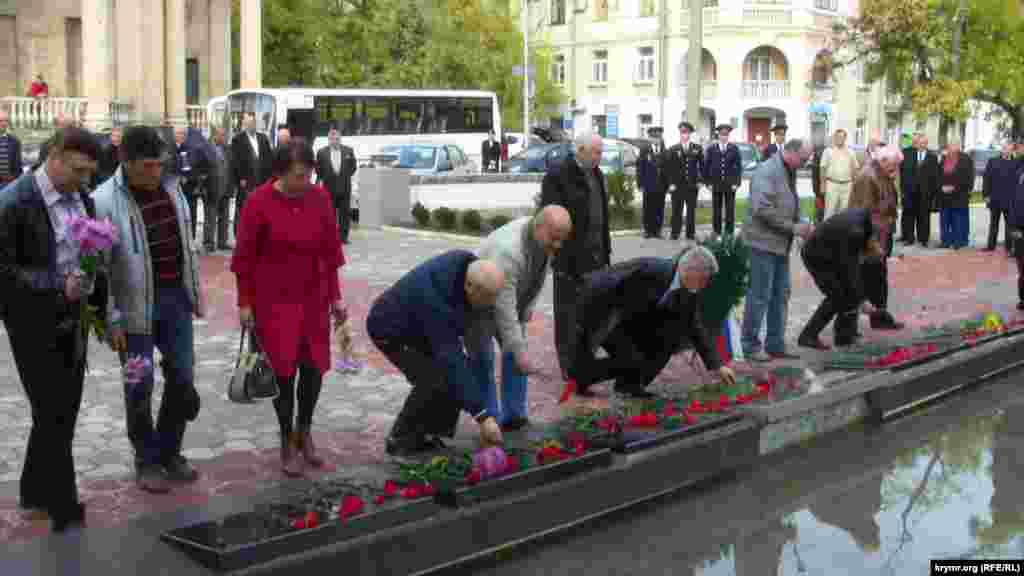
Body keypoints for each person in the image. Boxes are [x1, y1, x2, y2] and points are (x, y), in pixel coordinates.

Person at [0, 127, 103, 532]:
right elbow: (4, 273)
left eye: (89, 173)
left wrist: (93, 287)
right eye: (79, 170)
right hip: (31, 321)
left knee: (61, 412)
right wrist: (55, 284)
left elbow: (89, 250)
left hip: (74, 319)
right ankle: (63, 503)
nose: (85, 180)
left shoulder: (82, 199)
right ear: (55, 157)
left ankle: (32, 491)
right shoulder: (14, 201)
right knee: (52, 411)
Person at [93, 126, 206, 493]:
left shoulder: (174, 188)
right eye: (147, 166)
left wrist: (195, 292)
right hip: (133, 309)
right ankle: (147, 459)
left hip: (175, 301)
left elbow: (186, 244)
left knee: (183, 377)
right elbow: (99, 268)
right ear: (126, 162)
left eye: (159, 164)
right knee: (139, 386)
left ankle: (170, 450)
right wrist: (110, 318)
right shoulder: (104, 201)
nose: (155, 173)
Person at [232, 138, 346, 476]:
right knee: (283, 372)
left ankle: (304, 431)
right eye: (298, 175)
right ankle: (285, 439)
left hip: (314, 298)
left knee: (313, 369)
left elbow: (331, 253)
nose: (305, 182)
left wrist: (336, 298)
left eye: (309, 174)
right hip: (273, 303)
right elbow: (244, 260)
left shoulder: (320, 197)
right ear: (280, 172)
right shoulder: (258, 202)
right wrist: (244, 302)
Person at [367, 251, 506, 456]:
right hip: (390, 328)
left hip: (419, 329)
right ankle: (399, 439)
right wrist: (483, 416)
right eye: (488, 299)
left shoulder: (468, 270)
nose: (491, 304)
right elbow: (450, 358)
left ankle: (430, 434)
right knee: (432, 377)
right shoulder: (438, 297)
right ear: (470, 288)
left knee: (455, 374)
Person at [573, 247, 736, 398]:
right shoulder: (652, 271)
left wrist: (717, 365)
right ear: (691, 271)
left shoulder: (690, 291)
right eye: (704, 279)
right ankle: (583, 375)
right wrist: (587, 326)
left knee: (670, 340)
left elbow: (694, 326)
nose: (705, 285)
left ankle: (630, 385)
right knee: (631, 359)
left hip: (642, 320)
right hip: (611, 315)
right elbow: (607, 283)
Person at [466, 205, 572, 430]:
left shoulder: (539, 238)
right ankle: (490, 421)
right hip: (479, 303)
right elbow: (504, 310)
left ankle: (515, 417)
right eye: (554, 238)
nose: (558, 245)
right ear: (539, 226)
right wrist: (519, 349)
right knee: (483, 358)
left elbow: (536, 278)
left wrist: (526, 311)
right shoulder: (509, 251)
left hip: (508, 300)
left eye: (562, 240)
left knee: (515, 356)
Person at [538, 130, 611, 382]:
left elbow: (602, 216)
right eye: (597, 152)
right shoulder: (558, 175)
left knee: (593, 314)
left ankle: (585, 364)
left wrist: (605, 249)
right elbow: (550, 219)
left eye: (601, 152)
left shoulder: (597, 173)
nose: (600, 157)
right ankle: (570, 370)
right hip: (570, 260)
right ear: (580, 150)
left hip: (597, 257)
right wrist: (558, 255)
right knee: (568, 316)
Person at [741, 139, 814, 362]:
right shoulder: (768, 170)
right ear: (790, 152)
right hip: (761, 244)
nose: (804, 164)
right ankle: (750, 345)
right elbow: (761, 208)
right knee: (760, 295)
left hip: (780, 244)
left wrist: (801, 222)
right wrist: (793, 227)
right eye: (802, 159)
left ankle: (775, 344)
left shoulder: (788, 169)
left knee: (780, 294)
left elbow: (790, 202)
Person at [798, 208, 883, 349]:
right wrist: (862, 300)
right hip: (817, 256)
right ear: (876, 216)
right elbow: (850, 269)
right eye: (884, 222)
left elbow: (854, 259)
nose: (883, 227)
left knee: (848, 293)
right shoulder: (856, 229)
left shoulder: (863, 219)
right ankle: (809, 336)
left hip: (832, 254)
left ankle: (845, 336)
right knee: (837, 296)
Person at [849, 144, 905, 330]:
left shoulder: (882, 174)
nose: (895, 169)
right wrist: (871, 242)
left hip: (879, 234)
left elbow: (889, 203)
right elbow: (863, 214)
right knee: (860, 281)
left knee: (878, 279)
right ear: (882, 161)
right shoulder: (868, 177)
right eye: (893, 165)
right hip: (867, 237)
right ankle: (847, 330)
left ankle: (880, 319)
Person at [230, 112, 273, 235]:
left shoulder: (263, 138)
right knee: (243, 208)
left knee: (261, 208)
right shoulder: (238, 139)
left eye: (253, 123)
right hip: (246, 181)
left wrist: (269, 179)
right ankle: (239, 234)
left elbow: (268, 159)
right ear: (244, 124)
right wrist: (240, 178)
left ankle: (259, 233)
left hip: (261, 180)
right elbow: (236, 161)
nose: (251, 125)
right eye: (248, 123)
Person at [660, 121, 704, 241]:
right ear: (680, 134)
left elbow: (702, 166)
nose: (684, 135)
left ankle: (690, 234)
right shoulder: (673, 149)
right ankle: (675, 233)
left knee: (691, 211)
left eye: (686, 132)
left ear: (690, 133)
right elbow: (668, 169)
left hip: (692, 185)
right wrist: (670, 184)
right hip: (677, 186)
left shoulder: (697, 148)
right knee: (676, 210)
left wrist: (700, 180)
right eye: (682, 132)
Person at [315, 128, 358, 244]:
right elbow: (318, 169)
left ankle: (343, 237)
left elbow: (353, 167)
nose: (335, 141)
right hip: (329, 188)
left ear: (340, 139)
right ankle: (331, 237)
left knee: (345, 213)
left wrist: (344, 176)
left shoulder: (349, 151)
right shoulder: (321, 152)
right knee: (330, 214)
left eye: (337, 139)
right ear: (329, 140)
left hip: (344, 187)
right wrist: (326, 178)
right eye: (332, 139)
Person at [899, 133, 939, 246]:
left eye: (924, 143)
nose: (922, 145)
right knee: (909, 216)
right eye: (920, 143)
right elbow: (904, 173)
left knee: (924, 216)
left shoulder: (932, 157)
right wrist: (903, 189)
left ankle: (924, 239)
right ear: (917, 144)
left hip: (925, 193)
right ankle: (909, 238)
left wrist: (933, 193)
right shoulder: (909, 155)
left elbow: (935, 176)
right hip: (910, 192)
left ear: (926, 144)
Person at [703, 124, 744, 236]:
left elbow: (739, 167)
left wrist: (736, 183)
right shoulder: (711, 149)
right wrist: (708, 183)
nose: (724, 137)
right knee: (716, 210)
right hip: (716, 184)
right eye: (722, 134)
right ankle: (716, 232)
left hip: (730, 185)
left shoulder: (734, 149)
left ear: (728, 136)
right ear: (718, 135)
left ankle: (729, 233)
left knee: (730, 210)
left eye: (726, 135)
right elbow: (706, 167)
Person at [937, 139, 974, 249]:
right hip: (944, 195)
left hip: (959, 195)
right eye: (949, 145)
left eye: (953, 145)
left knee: (959, 220)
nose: (951, 148)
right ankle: (945, 241)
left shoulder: (966, 158)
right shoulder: (944, 158)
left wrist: (954, 187)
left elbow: (968, 177)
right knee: (945, 220)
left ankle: (959, 241)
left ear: (959, 146)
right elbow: (938, 175)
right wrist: (941, 187)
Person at [983, 142, 1016, 254]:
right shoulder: (993, 161)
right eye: (1005, 148)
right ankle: (990, 246)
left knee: (1010, 225)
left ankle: (1009, 247)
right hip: (995, 199)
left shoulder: (1016, 162)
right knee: (993, 224)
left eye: (1009, 149)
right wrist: (986, 195)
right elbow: (986, 178)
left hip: (1010, 200)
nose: (1007, 151)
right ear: (1002, 149)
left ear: (1012, 150)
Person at [819, 128, 860, 219]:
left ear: (845, 138)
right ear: (834, 138)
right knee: (829, 211)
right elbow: (823, 168)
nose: (839, 139)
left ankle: (842, 232)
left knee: (844, 212)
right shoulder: (828, 151)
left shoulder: (851, 152)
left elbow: (855, 169)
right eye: (837, 137)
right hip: (832, 184)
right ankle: (827, 232)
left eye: (842, 137)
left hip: (847, 185)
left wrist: (855, 185)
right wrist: (822, 184)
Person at [205, 127, 232, 251]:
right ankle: (209, 242)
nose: (223, 138)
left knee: (224, 218)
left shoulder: (228, 149)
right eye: (220, 135)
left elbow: (232, 168)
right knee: (210, 217)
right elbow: (202, 168)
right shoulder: (207, 149)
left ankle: (222, 241)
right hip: (212, 188)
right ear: (215, 136)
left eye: (224, 135)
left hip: (226, 188)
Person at [639, 126, 665, 238]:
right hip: (648, 185)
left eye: (658, 137)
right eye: (654, 137)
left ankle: (657, 230)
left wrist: (667, 184)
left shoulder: (664, 150)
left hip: (661, 184)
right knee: (648, 207)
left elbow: (667, 168)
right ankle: (648, 230)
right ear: (650, 138)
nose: (656, 139)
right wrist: (640, 183)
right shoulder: (644, 150)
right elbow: (640, 167)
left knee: (659, 208)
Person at [0, 110, 23, 186]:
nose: (3, 123)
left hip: (9, 184)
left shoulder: (15, 142)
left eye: (6, 120)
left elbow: (18, 167)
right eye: (0, 120)